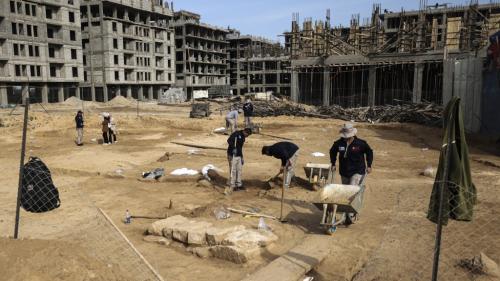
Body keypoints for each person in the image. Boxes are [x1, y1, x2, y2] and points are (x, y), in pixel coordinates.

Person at [329, 123, 373, 225]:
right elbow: (332, 151)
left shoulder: (360, 143)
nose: (346, 138)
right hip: (344, 171)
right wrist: (333, 163)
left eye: (348, 137)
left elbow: (369, 152)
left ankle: (350, 214)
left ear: (352, 134)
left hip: (357, 171)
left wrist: (369, 165)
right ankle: (347, 212)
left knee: (352, 190)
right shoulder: (338, 143)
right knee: (345, 191)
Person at [226, 128, 253, 195]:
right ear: (245, 132)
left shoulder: (243, 137)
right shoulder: (236, 134)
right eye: (247, 135)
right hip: (232, 155)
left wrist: (242, 157)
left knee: (239, 170)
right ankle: (232, 185)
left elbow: (240, 147)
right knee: (233, 170)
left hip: (238, 155)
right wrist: (233, 148)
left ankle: (239, 184)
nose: (247, 136)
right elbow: (229, 141)